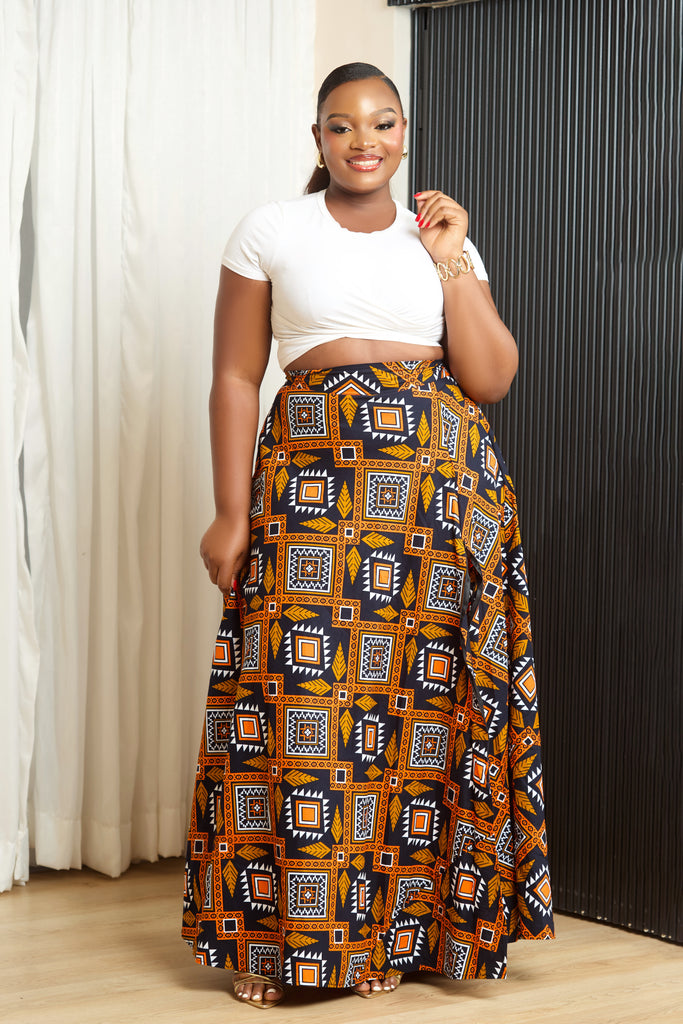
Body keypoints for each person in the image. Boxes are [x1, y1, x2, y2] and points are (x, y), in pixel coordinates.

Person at [182, 62, 554, 1009]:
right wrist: (230, 511)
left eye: (383, 123)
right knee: (294, 706)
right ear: (317, 138)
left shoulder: (437, 237)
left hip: (436, 507)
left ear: (403, 134)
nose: (364, 140)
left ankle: (390, 937)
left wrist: (451, 259)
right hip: (310, 495)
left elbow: (490, 376)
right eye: (343, 125)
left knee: (413, 723)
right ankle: (283, 944)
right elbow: (235, 377)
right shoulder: (272, 228)